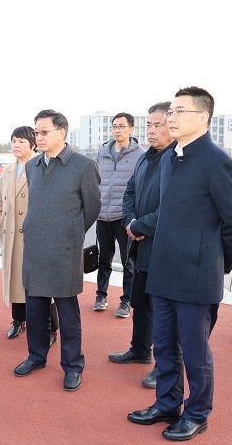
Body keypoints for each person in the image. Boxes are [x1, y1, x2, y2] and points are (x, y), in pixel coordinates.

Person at [127, 87, 232, 441]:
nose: (171, 117)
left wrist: (216, 263)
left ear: (203, 117)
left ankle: (196, 413)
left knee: (195, 353)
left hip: (197, 276)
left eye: (180, 111)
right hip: (163, 270)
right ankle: (167, 403)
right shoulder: (170, 158)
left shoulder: (217, 162)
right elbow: (167, 213)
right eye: (171, 111)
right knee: (164, 347)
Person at [13, 109, 100, 392]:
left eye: (44, 132)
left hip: (65, 250)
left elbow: (92, 209)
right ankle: (36, 356)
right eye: (36, 132)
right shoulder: (33, 165)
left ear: (61, 133)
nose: (38, 137)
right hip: (35, 248)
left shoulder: (83, 166)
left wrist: (70, 233)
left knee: (68, 313)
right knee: (35, 309)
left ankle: (73, 365)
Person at [109, 102, 175, 389]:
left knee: (163, 309)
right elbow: (130, 191)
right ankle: (139, 349)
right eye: (149, 124)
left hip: (164, 248)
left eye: (158, 125)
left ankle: (165, 365)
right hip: (140, 243)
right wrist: (130, 221)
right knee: (141, 301)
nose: (152, 130)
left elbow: (172, 208)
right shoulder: (145, 158)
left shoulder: (177, 160)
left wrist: (139, 226)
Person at [0, 127, 58, 344]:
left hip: (33, 237)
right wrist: (0, 222)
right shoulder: (8, 171)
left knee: (41, 284)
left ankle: (50, 328)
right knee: (15, 281)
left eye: (21, 141)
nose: (16, 145)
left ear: (33, 143)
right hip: (11, 235)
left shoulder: (41, 167)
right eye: (13, 141)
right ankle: (18, 320)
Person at [94, 112, 144, 317]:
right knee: (103, 259)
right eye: (114, 126)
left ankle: (126, 301)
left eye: (122, 126)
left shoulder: (140, 154)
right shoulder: (102, 151)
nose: (117, 130)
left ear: (131, 129)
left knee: (128, 262)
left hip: (124, 217)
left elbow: (141, 186)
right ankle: (101, 295)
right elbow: (95, 180)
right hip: (102, 215)